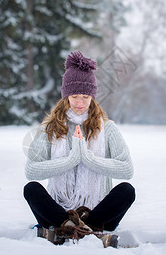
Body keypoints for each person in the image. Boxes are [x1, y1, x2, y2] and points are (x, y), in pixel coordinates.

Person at [23, 51, 135, 248]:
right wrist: (71, 159)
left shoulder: (107, 128)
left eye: (85, 96)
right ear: (66, 95)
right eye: (75, 96)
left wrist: (88, 158)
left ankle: (63, 233)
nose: (80, 103)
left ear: (93, 97)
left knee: (127, 191)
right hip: (57, 211)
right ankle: (92, 234)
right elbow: (31, 170)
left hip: (98, 213)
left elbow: (127, 169)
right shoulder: (49, 128)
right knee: (31, 189)